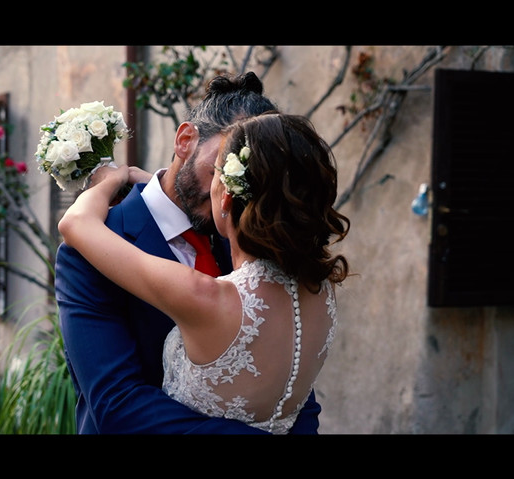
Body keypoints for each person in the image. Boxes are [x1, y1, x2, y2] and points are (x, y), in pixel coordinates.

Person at [55, 72, 324, 434]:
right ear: (185, 140)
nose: (229, 187)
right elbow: (117, 403)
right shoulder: (96, 245)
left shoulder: (251, 240)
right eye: (221, 169)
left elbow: (290, 384)